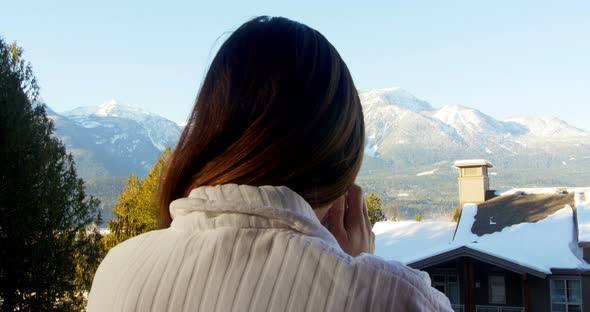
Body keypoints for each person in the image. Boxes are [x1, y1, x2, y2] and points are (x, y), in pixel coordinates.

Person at [87, 16, 453, 311]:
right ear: (338, 164)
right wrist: (352, 271)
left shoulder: (116, 273)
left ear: (209, 135)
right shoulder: (399, 299)